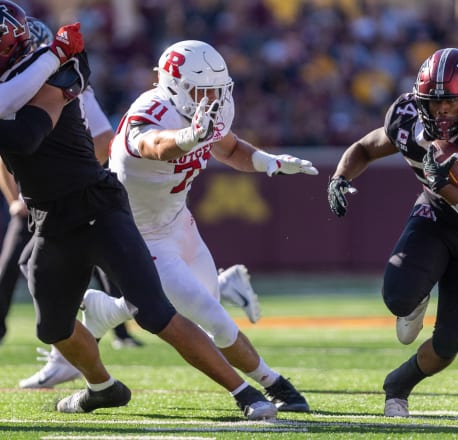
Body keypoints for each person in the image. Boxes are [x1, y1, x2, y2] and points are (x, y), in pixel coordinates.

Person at [0, 2, 278, 420]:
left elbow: (25, 137)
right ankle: (102, 387)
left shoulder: (55, 74)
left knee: (155, 312)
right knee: (52, 327)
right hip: (49, 218)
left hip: (95, 204)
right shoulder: (23, 78)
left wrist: (54, 56)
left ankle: (246, 393)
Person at [76, 39, 315, 413]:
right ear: (173, 85)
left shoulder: (207, 109)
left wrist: (268, 161)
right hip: (141, 237)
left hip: (179, 224)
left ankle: (110, 310)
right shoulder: (150, 110)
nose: (211, 99)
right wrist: (190, 137)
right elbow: (155, 145)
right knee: (216, 322)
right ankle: (274, 384)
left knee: (206, 311)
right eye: (201, 90)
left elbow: (230, 148)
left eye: (217, 90)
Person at [327, 48, 458, 417]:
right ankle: (415, 298)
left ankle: (399, 384)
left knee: (448, 344)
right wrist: (340, 177)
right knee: (397, 297)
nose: (442, 111)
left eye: (451, 103)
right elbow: (365, 148)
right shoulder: (404, 117)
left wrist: (448, 186)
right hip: (435, 216)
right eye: (435, 103)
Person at [0, 17, 143, 353]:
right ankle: (68, 343)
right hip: (35, 197)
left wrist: (70, 176)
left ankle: (112, 328)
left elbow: (104, 138)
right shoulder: (29, 76)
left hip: (70, 193)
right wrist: (14, 198)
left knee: (110, 268)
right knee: (21, 267)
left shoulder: (57, 79)